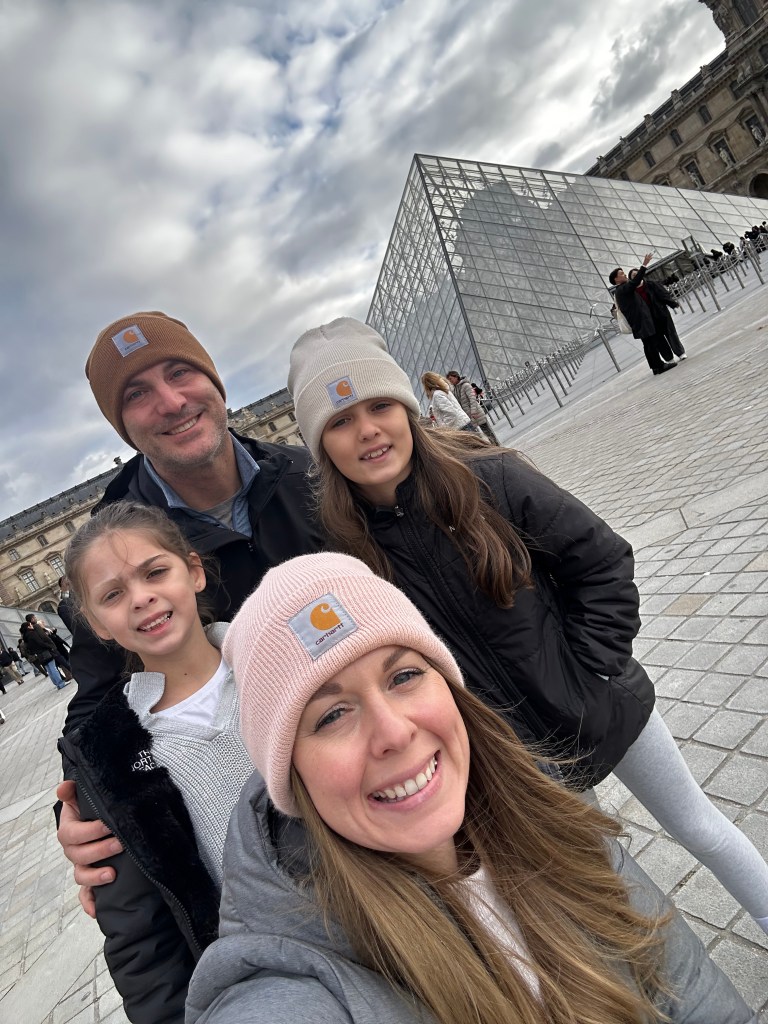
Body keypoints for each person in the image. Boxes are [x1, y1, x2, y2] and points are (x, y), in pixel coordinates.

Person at [286, 316, 768, 934]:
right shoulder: (346, 557)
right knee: (595, 882)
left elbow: (604, 562)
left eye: (380, 405)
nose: (368, 430)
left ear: (408, 408)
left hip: (599, 698)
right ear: (320, 444)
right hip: (515, 755)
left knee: (701, 826)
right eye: (341, 421)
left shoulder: (491, 478)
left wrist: (591, 666)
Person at [186, 552, 755, 1024]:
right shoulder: (293, 982)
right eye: (332, 715)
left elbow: (693, 994)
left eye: (404, 676)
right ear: (292, 775)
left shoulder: (548, 814)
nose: (394, 732)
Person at [56, 311, 323, 903]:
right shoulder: (116, 548)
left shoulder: (318, 479)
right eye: (138, 394)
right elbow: (94, 707)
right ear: (122, 425)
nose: (172, 401)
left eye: (181, 372)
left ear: (214, 380)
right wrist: (79, 814)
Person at [58, 502, 255, 1024]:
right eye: (113, 595)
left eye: (154, 572)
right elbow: (140, 941)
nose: (141, 598)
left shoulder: (281, 660)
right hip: (261, 986)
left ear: (194, 571)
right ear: (97, 624)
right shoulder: (106, 753)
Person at [608, 255, 681, 375]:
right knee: (651, 344)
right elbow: (636, 281)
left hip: (638, 322)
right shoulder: (623, 288)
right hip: (641, 321)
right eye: (621, 274)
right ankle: (659, 366)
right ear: (616, 279)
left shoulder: (621, 290)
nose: (625, 275)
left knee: (648, 345)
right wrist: (644, 264)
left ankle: (655, 367)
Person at [627, 268, 686, 364]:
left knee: (671, 333)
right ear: (631, 279)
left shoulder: (651, 284)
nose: (636, 276)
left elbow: (663, 294)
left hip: (661, 313)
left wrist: (672, 303)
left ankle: (680, 353)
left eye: (638, 274)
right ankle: (668, 358)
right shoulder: (631, 292)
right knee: (659, 339)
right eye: (634, 276)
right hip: (648, 319)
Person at [446, 370, 499, 444]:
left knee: (488, 432)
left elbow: (472, 399)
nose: (450, 381)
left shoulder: (466, 385)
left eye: (450, 379)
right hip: (468, 416)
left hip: (476, 413)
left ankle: (497, 446)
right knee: (477, 436)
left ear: (456, 377)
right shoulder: (455, 389)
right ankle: (491, 449)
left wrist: (473, 412)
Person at [21, 618, 68, 689]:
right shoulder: (32, 633)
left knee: (49, 669)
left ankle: (57, 684)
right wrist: (49, 646)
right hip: (44, 651)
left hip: (39, 655)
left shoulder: (25, 638)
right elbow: (40, 642)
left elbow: (29, 649)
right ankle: (61, 683)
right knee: (53, 668)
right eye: (30, 625)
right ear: (28, 627)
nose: (32, 626)